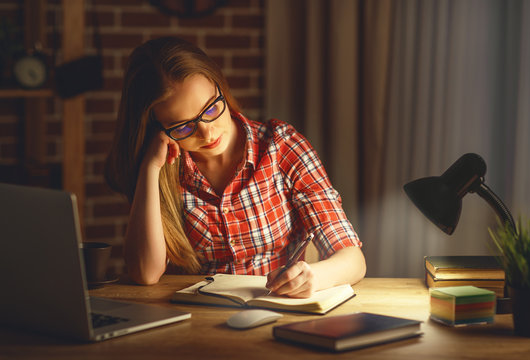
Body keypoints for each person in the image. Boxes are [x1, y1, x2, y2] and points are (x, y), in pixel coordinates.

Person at [104, 37, 366, 298]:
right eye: (183, 126)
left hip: (276, 312)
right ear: (157, 127)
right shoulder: (164, 166)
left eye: (210, 109)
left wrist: (315, 277)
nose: (207, 133)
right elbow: (145, 273)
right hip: (196, 321)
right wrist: (150, 168)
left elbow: (353, 259)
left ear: (220, 87)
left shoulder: (281, 147)